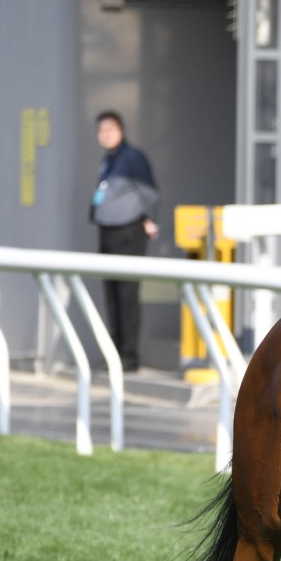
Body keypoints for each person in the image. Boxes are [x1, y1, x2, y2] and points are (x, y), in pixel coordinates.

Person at [89, 111, 160, 373]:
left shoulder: (132, 157)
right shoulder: (108, 160)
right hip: (108, 232)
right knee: (111, 295)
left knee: (127, 295)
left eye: (110, 129)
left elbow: (149, 191)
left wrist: (149, 219)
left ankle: (128, 356)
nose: (105, 135)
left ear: (121, 130)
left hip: (128, 233)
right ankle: (114, 353)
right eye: (101, 131)